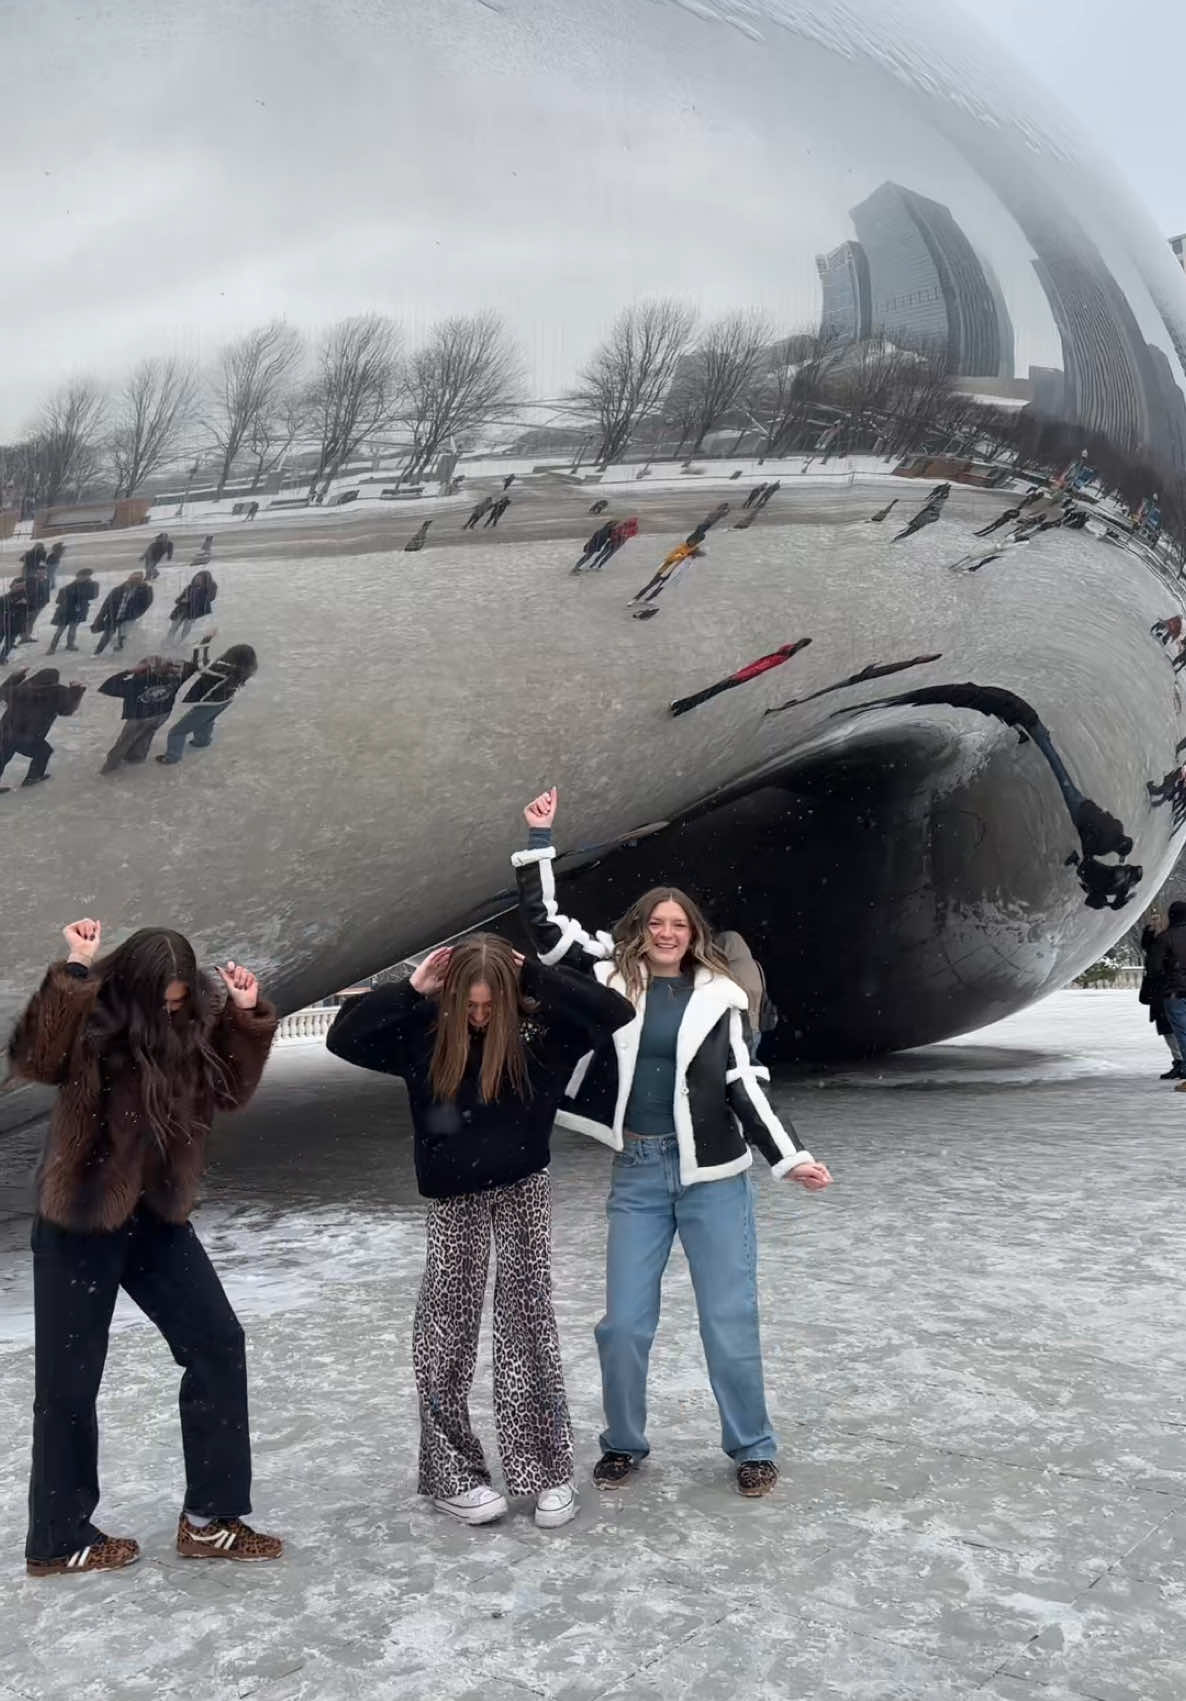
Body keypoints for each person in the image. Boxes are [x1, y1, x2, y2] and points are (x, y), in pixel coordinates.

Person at [512, 787, 832, 1497]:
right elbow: (547, 929)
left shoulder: (721, 997)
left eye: (677, 923)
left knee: (727, 1319)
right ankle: (623, 1440)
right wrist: (539, 841)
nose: (665, 931)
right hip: (639, 1173)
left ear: (693, 932)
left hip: (715, 1178)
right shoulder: (610, 975)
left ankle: (752, 1445)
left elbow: (745, 1084)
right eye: (655, 921)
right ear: (640, 928)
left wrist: (791, 1157)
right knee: (622, 1325)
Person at [326, 936, 634, 1529]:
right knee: (445, 1334)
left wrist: (537, 976)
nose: (479, 1016)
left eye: (491, 1006)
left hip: (523, 1190)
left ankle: (546, 1471)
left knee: (529, 1328)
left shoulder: (542, 1038)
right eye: (468, 1005)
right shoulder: (423, 1036)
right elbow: (346, 1038)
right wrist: (412, 990)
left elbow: (614, 1012)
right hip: (451, 1200)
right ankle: (452, 1473)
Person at [10, 919, 281, 1576]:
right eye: (162, 997)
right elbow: (33, 1058)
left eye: (181, 997)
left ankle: (210, 1519)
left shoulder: (191, 1026)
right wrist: (73, 971)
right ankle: (58, 1535)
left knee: (218, 1341)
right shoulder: (93, 1015)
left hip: (156, 1217)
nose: (171, 1008)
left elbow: (229, 1089)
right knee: (68, 1383)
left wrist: (245, 1018)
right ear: (131, 984)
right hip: (80, 1217)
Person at [98, 652, 202, 772]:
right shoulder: (175, 678)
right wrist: (204, 642)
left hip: (139, 717)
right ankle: (137, 757)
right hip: (162, 714)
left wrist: (129, 671)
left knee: (125, 741)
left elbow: (107, 687)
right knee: (147, 734)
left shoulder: (136, 683)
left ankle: (111, 765)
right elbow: (192, 667)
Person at [156, 644, 258, 766]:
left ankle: (172, 757)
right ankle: (202, 741)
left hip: (210, 703)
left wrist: (205, 641)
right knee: (207, 720)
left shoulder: (223, 669)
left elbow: (200, 666)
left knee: (177, 731)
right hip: (225, 701)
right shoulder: (242, 669)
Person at [669, 640, 812, 716]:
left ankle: (679, 705)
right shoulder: (783, 656)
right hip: (743, 676)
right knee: (712, 692)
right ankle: (681, 708)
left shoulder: (779, 657)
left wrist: (737, 677)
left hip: (741, 677)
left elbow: (759, 668)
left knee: (711, 691)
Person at [0, 668, 85, 791]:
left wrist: (16, 677)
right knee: (43, 751)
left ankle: (32, 777)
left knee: (3, 756)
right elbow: (66, 710)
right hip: (28, 736)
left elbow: (2, 692)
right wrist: (76, 690)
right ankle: (33, 778)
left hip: (6, 731)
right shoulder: (57, 692)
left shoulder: (22, 689)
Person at [715, 931, 778, 1060]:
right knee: (750, 1064)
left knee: (735, 1068)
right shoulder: (756, 966)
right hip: (756, 1026)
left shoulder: (728, 970)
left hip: (737, 1027)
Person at [1144, 904, 1186, 1088]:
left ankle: (1182, 1064)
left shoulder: (1165, 938)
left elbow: (1154, 967)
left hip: (1173, 991)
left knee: (1181, 1032)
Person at [628, 541, 705, 616]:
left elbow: (685, 568)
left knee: (660, 588)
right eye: (694, 556)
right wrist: (683, 555)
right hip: (663, 571)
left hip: (672, 574)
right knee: (650, 585)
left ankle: (648, 599)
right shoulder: (680, 549)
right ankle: (635, 599)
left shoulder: (691, 557)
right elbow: (669, 558)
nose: (694, 558)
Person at [92, 572, 152, 654]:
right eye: (133, 579)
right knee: (107, 635)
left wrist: (136, 614)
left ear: (141, 580)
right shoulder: (118, 590)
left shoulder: (145, 590)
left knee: (122, 636)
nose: (134, 581)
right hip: (113, 616)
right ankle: (97, 652)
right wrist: (100, 617)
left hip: (128, 617)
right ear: (129, 578)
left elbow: (146, 604)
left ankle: (118, 651)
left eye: (137, 579)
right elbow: (106, 604)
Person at [47, 568, 98, 654]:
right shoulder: (67, 588)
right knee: (60, 630)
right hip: (66, 612)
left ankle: (70, 644)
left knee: (73, 629)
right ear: (78, 576)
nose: (84, 578)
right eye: (82, 576)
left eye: (86, 576)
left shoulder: (91, 585)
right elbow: (58, 601)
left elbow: (93, 596)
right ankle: (52, 647)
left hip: (78, 611)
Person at [167, 569, 217, 645]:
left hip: (192, 613)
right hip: (181, 611)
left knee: (186, 628)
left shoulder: (205, 590)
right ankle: (168, 641)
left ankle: (180, 642)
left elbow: (211, 597)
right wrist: (182, 601)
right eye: (196, 579)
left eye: (200, 579)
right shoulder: (189, 588)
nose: (197, 581)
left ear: (204, 581)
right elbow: (177, 600)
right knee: (173, 627)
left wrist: (210, 585)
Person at [18, 558, 52, 644]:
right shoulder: (30, 580)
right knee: (25, 621)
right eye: (40, 571)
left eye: (44, 571)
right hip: (29, 605)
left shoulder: (47, 580)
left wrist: (46, 601)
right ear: (37, 572)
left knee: (31, 622)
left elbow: (47, 592)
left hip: (39, 605)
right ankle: (23, 637)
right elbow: (23, 591)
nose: (42, 573)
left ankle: (27, 636)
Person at [0, 578, 31, 665]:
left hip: (16, 625)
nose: (20, 588)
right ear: (12, 586)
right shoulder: (4, 598)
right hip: (3, 624)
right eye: (17, 586)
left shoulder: (25, 596)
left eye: (22, 586)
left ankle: (2, 657)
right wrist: (14, 605)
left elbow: (29, 609)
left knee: (9, 643)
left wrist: (25, 603)